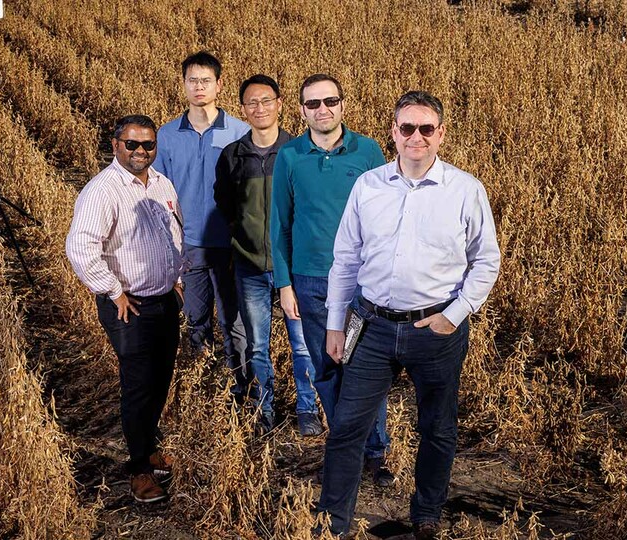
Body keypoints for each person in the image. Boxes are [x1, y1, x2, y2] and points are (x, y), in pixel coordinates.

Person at [317, 91, 501, 538]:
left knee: (437, 429)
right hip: (373, 327)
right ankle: (332, 523)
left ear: (441, 134)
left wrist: (453, 315)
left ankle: (426, 516)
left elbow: (486, 261)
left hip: (435, 330)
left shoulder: (465, 189)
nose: (415, 137)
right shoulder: (369, 186)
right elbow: (345, 259)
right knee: (346, 428)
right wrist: (335, 323)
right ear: (393, 133)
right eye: (406, 129)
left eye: (425, 129)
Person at [270, 74, 394, 484]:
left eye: (330, 101)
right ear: (301, 110)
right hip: (309, 280)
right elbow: (280, 224)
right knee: (325, 366)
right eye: (312, 103)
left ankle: (375, 451)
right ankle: (346, 445)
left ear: (343, 105)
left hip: (361, 283)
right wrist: (284, 284)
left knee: (365, 368)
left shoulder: (369, 151)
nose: (322, 109)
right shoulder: (289, 156)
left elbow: (390, 216)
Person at [65, 115, 184, 504]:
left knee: (160, 381)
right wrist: (113, 291)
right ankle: (138, 470)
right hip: (129, 307)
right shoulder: (103, 190)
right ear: (115, 145)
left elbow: (174, 234)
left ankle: (148, 448)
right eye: (131, 144)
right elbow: (81, 249)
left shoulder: (161, 184)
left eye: (148, 145)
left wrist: (177, 279)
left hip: (164, 300)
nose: (140, 152)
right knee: (138, 387)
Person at [214, 74, 321, 436]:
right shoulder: (233, 156)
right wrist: (242, 238)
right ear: (243, 109)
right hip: (250, 266)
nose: (259, 108)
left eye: (266, 101)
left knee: (302, 345)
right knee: (258, 346)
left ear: (279, 103)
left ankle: (308, 409)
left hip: (295, 266)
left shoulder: (300, 152)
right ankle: (264, 410)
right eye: (251, 103)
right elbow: (225, 205)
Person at [154, 51, 251, 401]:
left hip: (230, 246)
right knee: (196, 321)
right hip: (188, 246)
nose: (199, 87)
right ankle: (205, 389)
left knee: (234, 324)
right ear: (183, 84)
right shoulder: (166, 136)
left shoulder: (240, 132)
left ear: (219, 85)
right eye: (192, 80)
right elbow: (160, 191)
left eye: (205, 80)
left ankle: (240, 390)